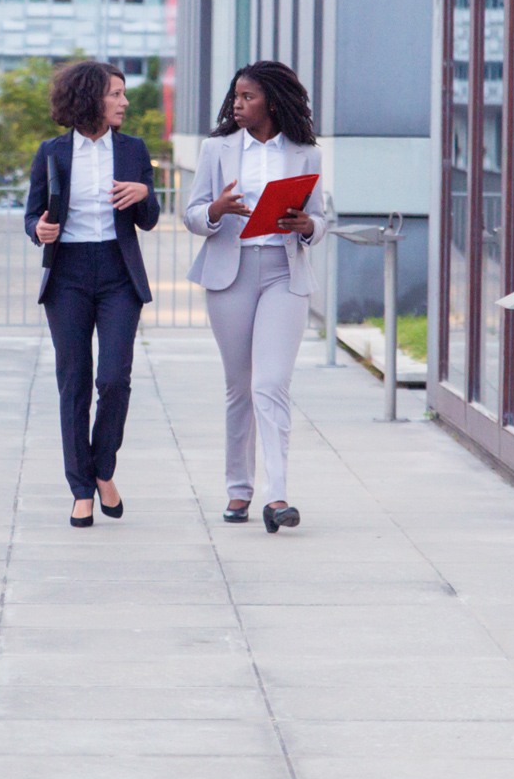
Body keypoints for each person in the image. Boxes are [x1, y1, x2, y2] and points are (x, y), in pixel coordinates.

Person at [182, 61, 328, 533]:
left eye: (248, 97)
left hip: (284, 275)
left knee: (271, 383)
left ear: (272, 101)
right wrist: (216, 210)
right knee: (239, 386)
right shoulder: (216, 149)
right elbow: (191, 214)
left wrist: (309, 227)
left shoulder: (306, 153)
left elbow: (321, 217)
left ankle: (277, 495)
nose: (237, 105)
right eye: (236, 97)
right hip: (231, 271)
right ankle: (238, 490)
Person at [24, 60, 161, 528]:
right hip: (68, 276)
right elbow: (32, 217)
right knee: (74, 383)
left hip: (119, 275)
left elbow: (149, 219)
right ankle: (82, 488)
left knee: (114, 379)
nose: (124, 102)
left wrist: (144, 191)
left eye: (124, 94)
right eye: (116, 94)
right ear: (89, 98)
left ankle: (103, 467)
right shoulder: (52, 152)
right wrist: (39, 229)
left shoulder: (134, 150)